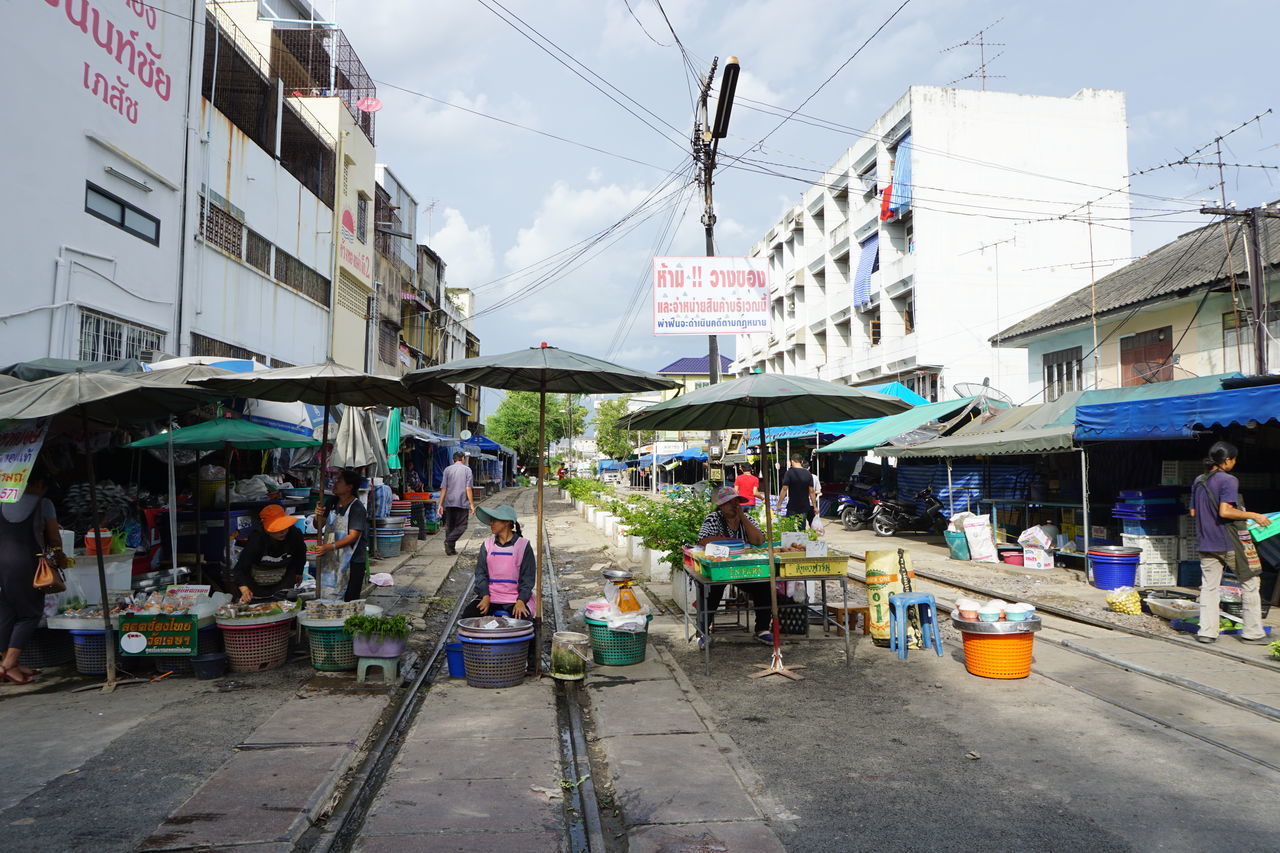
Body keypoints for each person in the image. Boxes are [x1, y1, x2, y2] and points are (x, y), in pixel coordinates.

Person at [1189, 441, 1272, 645]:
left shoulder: (1199, 480)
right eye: (1234, 460)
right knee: (1251, 583)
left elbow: (1193, 512)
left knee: (1209, 587)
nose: (1234, 463)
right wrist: (1254, 515)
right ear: (1227, 460)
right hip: (1229, 542)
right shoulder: (1228, 480)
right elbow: (1225, 511)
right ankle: (1252, 632)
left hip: (1206, 543)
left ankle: (1207, 632)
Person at [0, 468, 62, 685]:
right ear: (37, 484)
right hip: (25, 565)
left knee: (6, 614)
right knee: (29, 615)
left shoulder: (1, 501)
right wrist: (60, 559)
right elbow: (54, 540)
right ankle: (7, 665)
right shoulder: (43, 504)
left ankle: (12, 666)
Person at [697, 486, 780, 645]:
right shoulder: (714, 518)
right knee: (712, 588)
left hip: (743, 568)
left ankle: (762, 629)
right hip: (720, 567)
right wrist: (734, 543)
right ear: (721, 505)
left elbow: (758, 541)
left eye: (736, 502)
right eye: (729, 503)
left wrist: (742, 517)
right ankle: (702, 630)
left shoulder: (747, 519)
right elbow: (703, 540)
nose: (734, 506)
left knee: (763, 585)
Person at [461, 505, 536, 620]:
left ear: (506, 522)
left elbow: (528, 578)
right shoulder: (487, 545)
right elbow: (480, 574)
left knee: (526, 624)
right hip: (490, 597)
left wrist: (521, 601)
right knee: (468, 616)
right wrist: (485, 596)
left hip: (515, 598)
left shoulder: (523, 545)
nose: (491, 523)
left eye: (494, 520)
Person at [313, 469, 368, 602]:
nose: (335, 483)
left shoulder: (357, 508)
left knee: (349, 600)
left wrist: (328, 547)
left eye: (339, 481)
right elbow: (318, 526)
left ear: (349, 487)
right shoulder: (331, 501)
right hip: (333, 559)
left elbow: (353, 536)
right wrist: (318, 515)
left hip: (353, 560)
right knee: (329, 594)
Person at [233, 504, 306, 603]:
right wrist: (244, 589)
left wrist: (299, 572)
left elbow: (300, 554)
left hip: (283, 584)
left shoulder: (294, 534)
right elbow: (240, 568)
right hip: (257, 587)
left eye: (285, 527)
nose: (283, 532)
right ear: (267, 529)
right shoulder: (257, 539)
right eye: (278, 529)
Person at [439, 451, 474, 556]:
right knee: (462, 526)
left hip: (449, 502)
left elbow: (443, 488)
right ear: (463, 458)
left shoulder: (447, 470)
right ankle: (449, 542)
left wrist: (440, 504)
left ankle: (450, 550)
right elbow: (468, 488)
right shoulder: (467, 470)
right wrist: (472, 504)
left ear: (453, 459)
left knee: (450, 526)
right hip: (462, 502)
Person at [777, 454, 817, 527]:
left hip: (792, 505)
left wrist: (779, 504)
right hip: (804, 505)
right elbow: (811, 491)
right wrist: (815, 506)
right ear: (801, 462)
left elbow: (784, 489)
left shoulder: (789, 473)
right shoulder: (808, 474)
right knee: (802, 527)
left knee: (789, 527)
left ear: (791, 461)